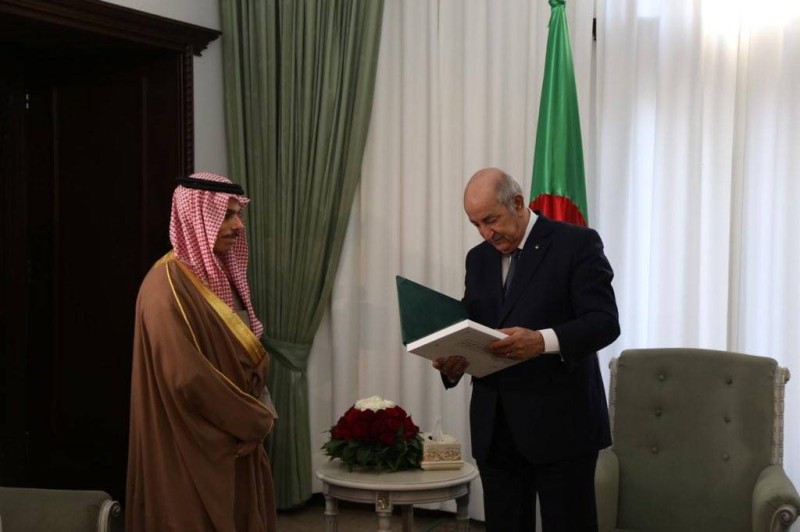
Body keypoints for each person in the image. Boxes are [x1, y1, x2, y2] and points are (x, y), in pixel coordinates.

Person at [433, 167, 620, 531]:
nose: (486, 233)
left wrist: (541, 341)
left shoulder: (576, 243)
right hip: (495, 428)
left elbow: (604, 321)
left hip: (562, 426)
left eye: (491, 220)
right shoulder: (478, 258)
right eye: (476, 224)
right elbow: (475, 325)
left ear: (517, 203)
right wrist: (455, 357)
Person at [126, 172, 278, 531]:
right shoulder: (165, 288)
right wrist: (253, 421)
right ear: (196, 218)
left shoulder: (211, 278)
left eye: (237, 214)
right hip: (191, 439)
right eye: (226, 215)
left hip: (232, 434)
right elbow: (189, 378)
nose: (238, 226)